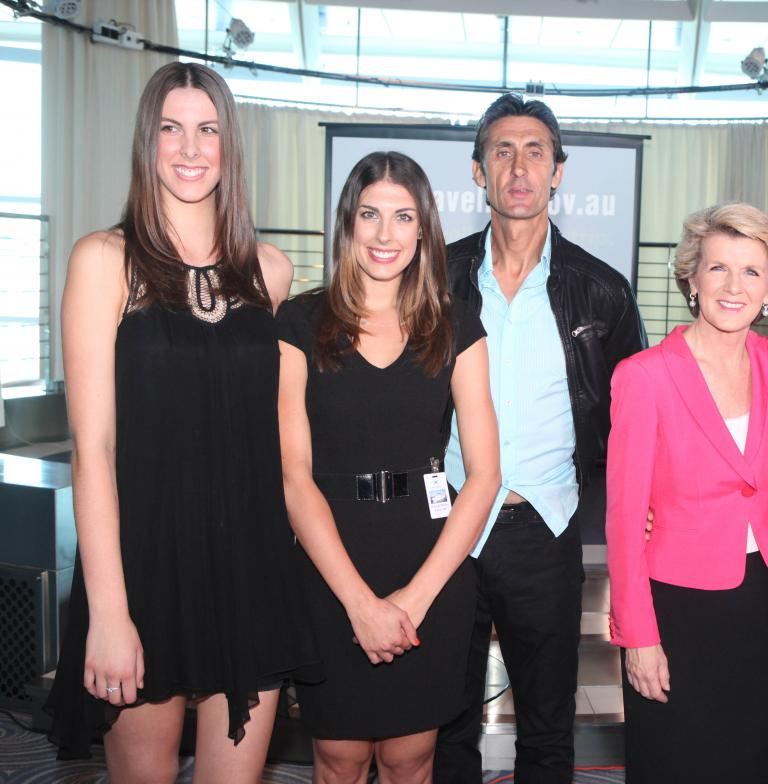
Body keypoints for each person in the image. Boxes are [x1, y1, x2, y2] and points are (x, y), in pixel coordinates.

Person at [43, 62, 319, 777]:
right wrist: (108, 612)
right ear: (147, 141)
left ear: (230, 146)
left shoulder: (272, 271)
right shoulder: (104, 261)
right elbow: (94, 449)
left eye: (208, 129)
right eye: (171, 129)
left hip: (250, 570)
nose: (190, 149)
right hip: (141, 573)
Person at [433, 93, 646, 784]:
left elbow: (629, 422)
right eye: (502, 150)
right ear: (477, 171)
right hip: (450, 526)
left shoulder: (602, 291)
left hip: (543, 529)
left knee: (549, 733)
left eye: (534, 151)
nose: (518, 166)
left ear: (559, 171)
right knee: (446, 724)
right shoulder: (434, 278)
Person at [275, 151, 499, 783]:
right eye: (370, 215)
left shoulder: (457, 324)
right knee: (338, 758)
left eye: (403, 217)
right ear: (348, 222)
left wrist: (415, 599)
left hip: (427, 562)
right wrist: (359, 604)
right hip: (330, 560)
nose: (384, 234)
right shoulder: (299, 321)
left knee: (410, 757)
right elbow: (294, 474)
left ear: (423, 228)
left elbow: (484, 474)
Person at [606, 203, 768, 783]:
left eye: (751, 272)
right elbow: (622, 519)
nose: (734, 287)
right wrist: (638, 637)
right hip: (676, 606)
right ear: (692, 278)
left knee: (749, 760)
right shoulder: (644, 375)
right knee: (673, 761)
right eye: (718, 269)